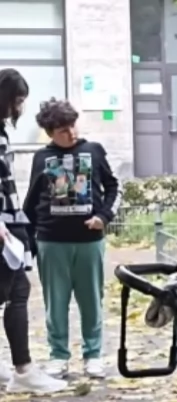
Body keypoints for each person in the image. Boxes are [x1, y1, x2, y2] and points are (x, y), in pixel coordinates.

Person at [23, 99, 121, 378]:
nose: (71, 133)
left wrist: (103, 216)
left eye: (72, 126)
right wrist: (28, 240)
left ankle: (93, 354)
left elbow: (114, 187)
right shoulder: (41, 157)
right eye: (63, 129)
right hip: (51, 240)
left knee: (91, 298)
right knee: (56, 301)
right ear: (50, 132)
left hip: (89, 240)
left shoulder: (93, 150)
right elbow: (32, 198)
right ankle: (58, 355)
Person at [0, 70, 66, 393]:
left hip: (10, 221)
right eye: (18, 100)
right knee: (17, 291)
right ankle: (23, 369)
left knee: (13, 291)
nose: (20, 108)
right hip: (4, 224)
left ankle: (22, 368)